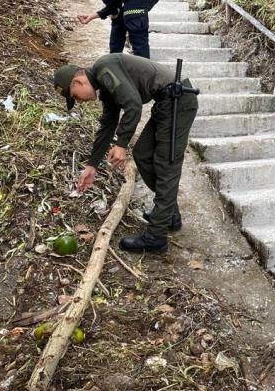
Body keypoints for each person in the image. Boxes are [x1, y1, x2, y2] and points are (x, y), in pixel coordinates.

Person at [53, 53, 198, 254]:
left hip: (178, 101)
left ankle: (156, 238)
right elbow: (108, 124)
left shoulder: (104, 68)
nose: (79, 101)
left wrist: (121, 144)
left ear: (77, 81)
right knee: (143, 154)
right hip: (167, 102)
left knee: (166, 165)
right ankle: (168, 214)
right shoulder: (104, 85)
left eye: (75, 96)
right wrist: (91, 166)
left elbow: (133, 105)